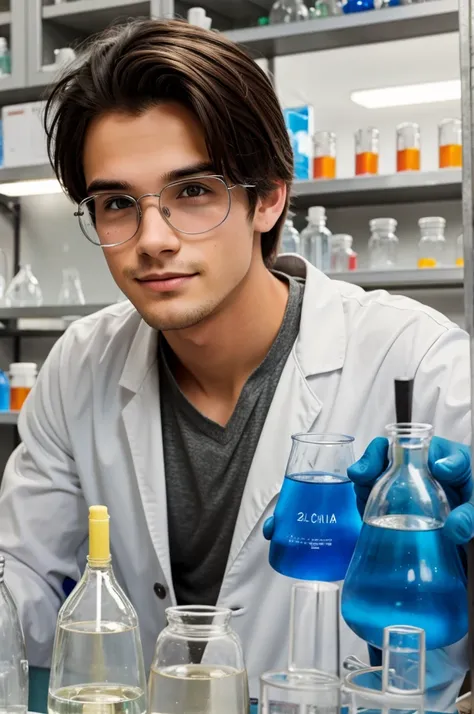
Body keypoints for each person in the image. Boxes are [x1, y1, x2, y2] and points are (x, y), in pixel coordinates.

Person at [0, 17, 472, 708]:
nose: (152, 239)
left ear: (270, 196)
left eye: (193, 192)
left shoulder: (420, 364)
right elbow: (23, 580)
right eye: (116, 203)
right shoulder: (80, 365)